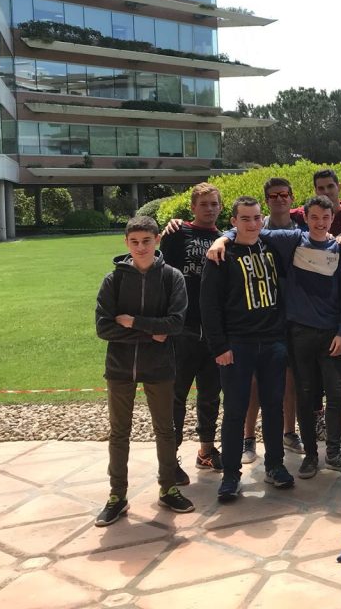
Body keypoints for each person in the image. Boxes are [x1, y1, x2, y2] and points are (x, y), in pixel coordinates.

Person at [208, 195, 341, 478]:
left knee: (336, 394)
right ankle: (310, 455)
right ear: (305, 218)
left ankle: (334, 452)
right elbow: (251, 229)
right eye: (314, 217)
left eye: (326, 218)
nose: (320, 223)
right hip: (298, 333)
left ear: (332, 219)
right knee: (305, 394)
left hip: (331, 335)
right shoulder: (293, 240)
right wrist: (222, 239)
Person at [94, 216, 191, 525]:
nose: (140, 247)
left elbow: (175, 323)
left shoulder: (172, 278)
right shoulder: (113, 280)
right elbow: (104, 327)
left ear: (157, 240)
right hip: (120, 368)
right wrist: (151, 333)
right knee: (119, 432)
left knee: (165, 430)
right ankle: (117, 496)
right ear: (126, 243)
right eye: (134, 242)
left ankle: (168, 488)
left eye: (146, 241)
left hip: (159, 367)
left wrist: (133, 321)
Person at [200, 196, 294, 501]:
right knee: (235, 410)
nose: (252, 224)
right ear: (233, 222)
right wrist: (219, 346)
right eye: (245, 219)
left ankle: (275, 465)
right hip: (237, 344)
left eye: (256, 218)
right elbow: (209, 305)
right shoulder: (220, 255)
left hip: (273, 342)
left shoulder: (271, 248)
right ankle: (230, 474)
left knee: (274, 407)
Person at [159, 182, 224, 484]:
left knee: (210, 395)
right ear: (193, 207)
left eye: (214, 204)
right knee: (176, 396)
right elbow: (162, 276)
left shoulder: (225, 237)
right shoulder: (177, 233)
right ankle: (169, 459)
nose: (209, 209)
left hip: (212, 331)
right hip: (182, 329)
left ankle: (206, 451)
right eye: (204, 204)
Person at [255, 177, 303, 460]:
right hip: (262, 313)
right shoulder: (255, 230)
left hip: (295, 312)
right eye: (273, 196)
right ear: (267, 201)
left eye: (284, 194)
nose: (280, 199)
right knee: (255, 378)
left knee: (290, 376)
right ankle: (249, 438)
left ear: (292, 197)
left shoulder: (303, 229)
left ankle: (289, 432)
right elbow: (231, 231)